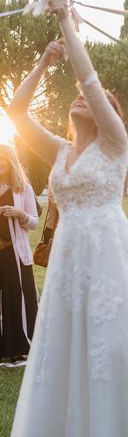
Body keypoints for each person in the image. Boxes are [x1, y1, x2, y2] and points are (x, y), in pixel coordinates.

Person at [8, 0, 128, 435]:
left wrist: (67, 20)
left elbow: (88, 78)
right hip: (69, 256)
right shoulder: (61, 151)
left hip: (107, 253)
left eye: (98, 101)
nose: (85, 99)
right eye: (83, 99)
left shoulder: (115, 146)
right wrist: (46, 58)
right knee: (65, 347)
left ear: (111, 118)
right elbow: (16, 111)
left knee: (109, 342)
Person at [0, 144, 39, 365]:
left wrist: (19, 213)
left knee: (17, 300)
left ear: (11, 161)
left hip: (15, 254)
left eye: (2, 160)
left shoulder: (23, 188)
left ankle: (21, 348)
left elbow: (34, 223)